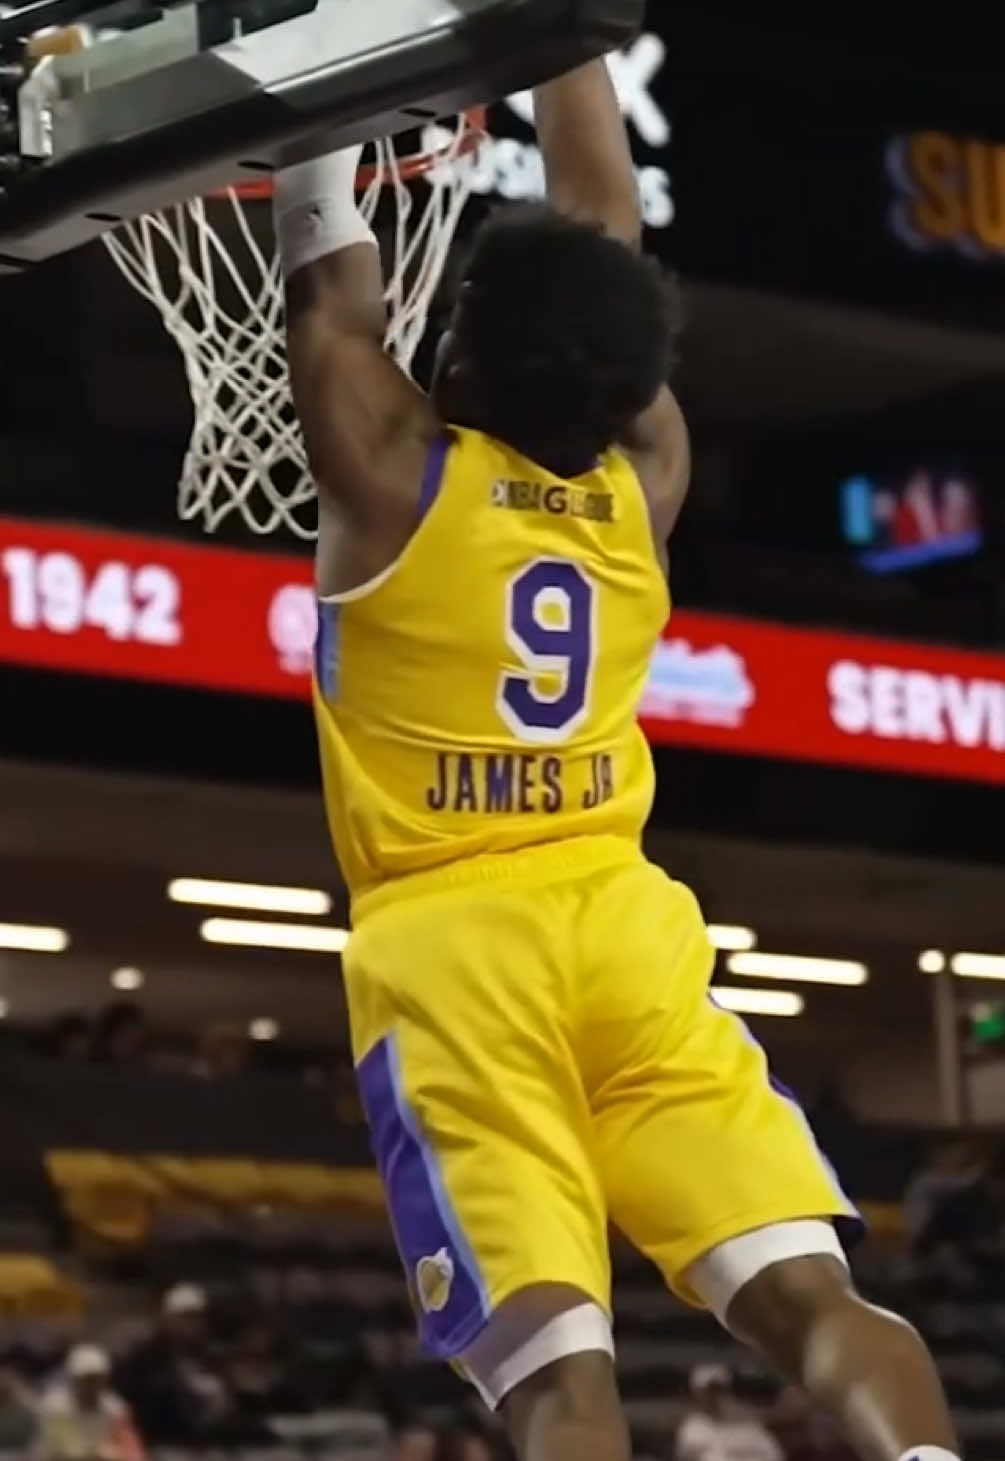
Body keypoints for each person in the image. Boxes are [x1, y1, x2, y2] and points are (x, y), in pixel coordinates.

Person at [276, 49, 961, 1461]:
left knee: (556, 1373)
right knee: (813, 1299)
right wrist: (569, 36)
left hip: (454, 945)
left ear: (462, 356)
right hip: (625, 926)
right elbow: (599, 252)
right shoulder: (644, 480)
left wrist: (298, 90)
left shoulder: (398, 482)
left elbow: (332, 294)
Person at [33, 1344, 145, 1461]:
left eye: (97, 1379)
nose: (91, 1385)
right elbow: (45, 1450)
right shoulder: (55, 1409)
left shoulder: (116, 1410)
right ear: (74, 1379)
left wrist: (116, 1454)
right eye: (86, 1379)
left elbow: (133, 1452)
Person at [675, 1364, 781, 1461]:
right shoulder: (691, 1428)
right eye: (707, 1391)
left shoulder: (748, 1424)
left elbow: (774, 1455)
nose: (713, 1396)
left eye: (717, 1390)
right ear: (697, 1394)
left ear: (726, 1391)